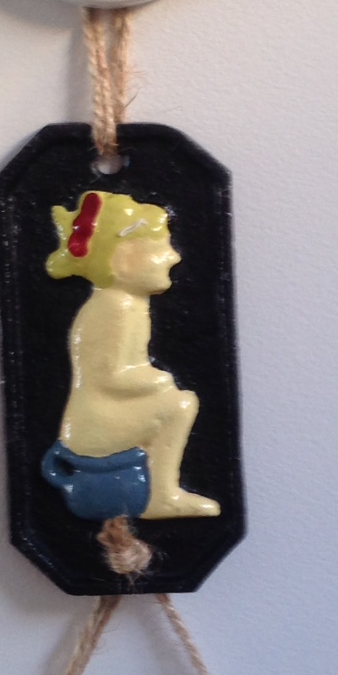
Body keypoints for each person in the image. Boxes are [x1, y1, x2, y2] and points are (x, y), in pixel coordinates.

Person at [43, 190, 219, 520]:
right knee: (180, 406)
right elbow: (111, 377)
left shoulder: (127, 305)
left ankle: (160, 492)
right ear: (123, 261)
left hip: (98, 416)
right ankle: (162, 497)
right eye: (160, 248)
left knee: (176, 402)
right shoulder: (117, 308)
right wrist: (158, 380)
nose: (173, 256)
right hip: (94, 422)